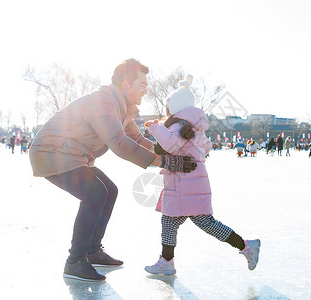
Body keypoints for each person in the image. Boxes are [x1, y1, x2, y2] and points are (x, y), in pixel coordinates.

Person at [28, 59, 196, 282]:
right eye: (142, 84)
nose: (146, 89)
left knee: (110, 190)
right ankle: (75, 261)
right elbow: (120, 144)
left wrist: (169, 153)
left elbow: (136, 138)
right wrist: (166, 163)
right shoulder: (104, 101)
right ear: (126, 84)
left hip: (72, 155)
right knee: (95, 193)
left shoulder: (122, 108)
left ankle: (92, 250)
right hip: (51, 153)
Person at [143, 75, 260, 276]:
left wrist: (155, 127)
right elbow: (201, 147)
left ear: (175, 107)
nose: (166, 111)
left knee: (202, 222)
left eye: (168, 106)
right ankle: (166, 261)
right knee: (171, 222)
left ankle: (247, 246)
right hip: (187, 182)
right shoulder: (192, 127)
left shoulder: (178, 125)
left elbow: (170, 144)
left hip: (184, 184)